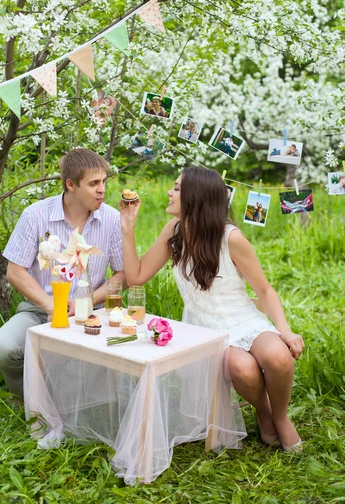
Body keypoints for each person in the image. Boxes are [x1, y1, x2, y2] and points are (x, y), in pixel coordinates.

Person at [119, 167, 304, 452]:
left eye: (177, 188)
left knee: (278, 357)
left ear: (196, 198)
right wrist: (128, 228)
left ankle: (280, 418)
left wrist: (285, 331)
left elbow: (265, 291)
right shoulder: (174, 232)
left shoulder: (231, 238)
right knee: (242, 367)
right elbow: (136, 276)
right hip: (205, 327)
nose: (170, 192)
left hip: (243, 318)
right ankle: (264, 411)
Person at [0, 148, 125, 397]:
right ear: (71, 184)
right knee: (2, 349)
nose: (102, 189)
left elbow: (122, 275)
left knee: (82, 372)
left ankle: (69, 399)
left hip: (91, 314)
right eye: (93, 183)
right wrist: (51, 306)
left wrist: (86, 301)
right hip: (40, 310)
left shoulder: (112, 219)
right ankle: (26, 394)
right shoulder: (35, 215)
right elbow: (15, 272)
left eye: (104, 181)